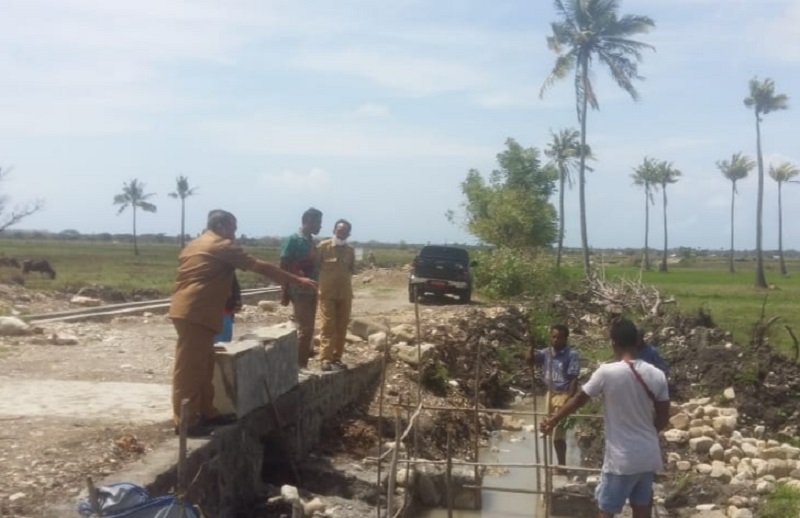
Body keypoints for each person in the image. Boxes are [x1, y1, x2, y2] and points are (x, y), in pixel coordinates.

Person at [169, 210, 316, 437]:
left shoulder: (196, 243)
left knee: (205, 364)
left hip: (197, 312)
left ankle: (207, 412)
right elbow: (261, 267)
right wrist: (297, 280)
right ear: (222, 226)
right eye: (233, 228)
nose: (235, 234)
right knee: (189, 369)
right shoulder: (220, 246)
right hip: (194, 312)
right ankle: (186, 421)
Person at [541, 318, 670, 518]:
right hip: (648, 456)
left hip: (621, 460)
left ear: (613, 343)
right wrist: (644, 435)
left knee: (606, 511)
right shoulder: (657, 375)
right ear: (637, 342)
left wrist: (552, 420)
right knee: (642, 509)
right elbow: (662, 420)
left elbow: (578, 400)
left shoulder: (607, 372)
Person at [530, 324, 580, 466]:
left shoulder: (571, 355)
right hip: (550, 393)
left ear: (566, 339)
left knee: (558, 434)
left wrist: (569, 400)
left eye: (559, 337)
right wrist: (530, 345)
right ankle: (550, 463)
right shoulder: (546, 353)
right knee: (547, 428)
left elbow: (574, 378)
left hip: (563, 394)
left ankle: (561, 466)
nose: (556, 340)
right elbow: (531, 360)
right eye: (553, 337)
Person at [280, 208, 323, 368]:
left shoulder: (311, 241)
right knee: (304, 330)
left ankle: (301, 364)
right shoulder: (293, 240)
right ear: (308, 221)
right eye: (318, 222)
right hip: (298, 290)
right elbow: (283, 265)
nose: (320, 226)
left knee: (309, 329)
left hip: (311, 290)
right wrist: (284, 289)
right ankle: (298, 366)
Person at [317, 219, 355, 372]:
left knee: (342, 327)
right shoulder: (323, 247)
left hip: (345, 294)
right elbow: (315, 267)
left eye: (345, 231)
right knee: (327, 326)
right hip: (327, 294)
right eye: (339, 230)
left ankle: (336, 357)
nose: (342, 233)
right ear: (333, 230)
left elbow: (351, 270)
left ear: (349, 233)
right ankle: (325, 358)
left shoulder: (350, 251)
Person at [213, 274, 242, 344]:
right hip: (218, 311)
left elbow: (235, 288)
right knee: (221, 342)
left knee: (222, 342)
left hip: (225, 310)